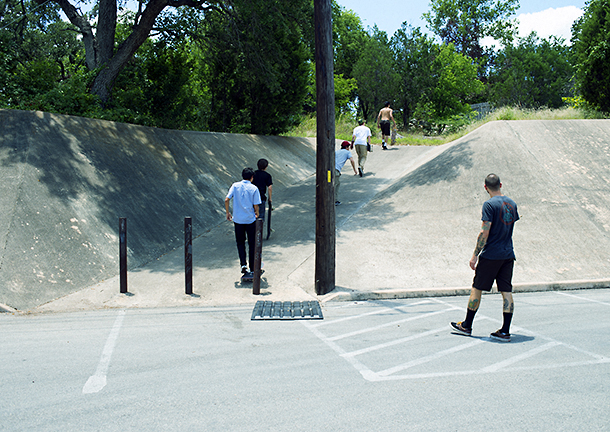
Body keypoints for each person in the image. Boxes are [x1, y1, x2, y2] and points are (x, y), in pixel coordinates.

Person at [451, 174, 520, 342]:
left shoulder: (489, 205)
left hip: (491, 255)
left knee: (477, 288)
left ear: (485, 187)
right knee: (506, 291)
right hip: (508, 254)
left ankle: (467, 325)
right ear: (501, 185)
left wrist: (475, 255)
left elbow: (485, 231)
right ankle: (505, 331)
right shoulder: (512, 203)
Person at [225, 167, 262, 276]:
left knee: (240, 243)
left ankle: (243, 265)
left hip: (238, 220)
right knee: (252, 243)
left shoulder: (235, 186)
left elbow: (227, 199)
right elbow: (256, 205)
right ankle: (252, 267)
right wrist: (257, 213)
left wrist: (228, 212)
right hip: (250, 220)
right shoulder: (254, 188)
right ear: (252, 177)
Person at [335, 140, 358, 206]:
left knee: (328, 183)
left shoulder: (337, 151)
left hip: (329, 169)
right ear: (347, 147)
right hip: (336, 170)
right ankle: (335, 200)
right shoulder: (347, 152)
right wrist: (354, 170)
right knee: (336, 185)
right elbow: (352, 160)